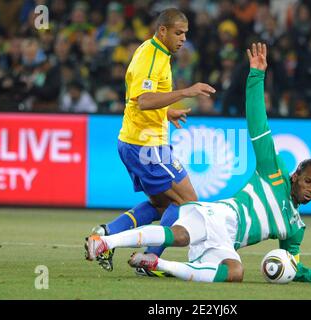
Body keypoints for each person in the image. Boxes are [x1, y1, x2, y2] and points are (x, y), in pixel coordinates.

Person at [85, 43, 311, 284]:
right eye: (308, 181)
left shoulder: (295, 227)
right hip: (222, 216)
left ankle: (157, 263)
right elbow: (257, 122)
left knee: (235, 272)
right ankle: (107, 242)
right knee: (180, 234)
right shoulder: (273, 170)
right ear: (295, 175)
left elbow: (291, 263)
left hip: (226, 244)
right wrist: (256, 77)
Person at [88, 8, 216, 275]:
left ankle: (105, 235)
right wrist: (186, 91)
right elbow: (144, 101)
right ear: (163, 31)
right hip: (147, 146)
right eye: (178, 33)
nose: (183, 39)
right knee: (186, 202)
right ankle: (148, 260)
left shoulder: (154, 52)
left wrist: (167, 112)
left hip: (135, 142)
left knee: (162, 205)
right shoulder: (151, 56)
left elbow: (139, 99)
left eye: (186, 34)